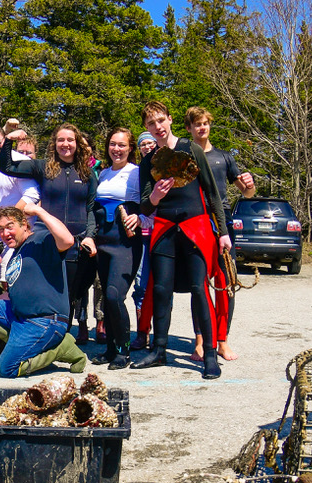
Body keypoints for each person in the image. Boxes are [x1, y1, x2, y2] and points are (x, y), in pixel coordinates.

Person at [133, 101, 236, 380]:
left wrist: (223, 232)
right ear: (147, 128)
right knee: (162, 290)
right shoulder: (148, 160)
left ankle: (210, 354)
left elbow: (212, 193)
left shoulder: (191, 150)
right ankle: (159, 350)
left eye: (160, 120)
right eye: (151, 124)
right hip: (165, 226)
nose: (158, 127)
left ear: (170, 119)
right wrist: (155, 196)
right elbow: (144, 206)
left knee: (199, 289)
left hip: (196, 225)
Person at [0, 122, 99, 343]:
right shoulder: (43, 167)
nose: (66, 144)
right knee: (49, 293)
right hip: (48, 241)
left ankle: (63, 341)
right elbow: (6, 166)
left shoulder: (88, 173)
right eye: (61, 140)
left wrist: (90, 235)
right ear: (54, 143)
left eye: (70, 140)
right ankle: (47, 339)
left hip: (76, 244)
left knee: (69, 296)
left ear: (77, 143)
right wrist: (9, 140)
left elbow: (91, 209)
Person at [0, 203, 88, 377]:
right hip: (22, 317)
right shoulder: (15, 254)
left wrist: (38, 211)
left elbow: (67, 240)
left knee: (6, 368)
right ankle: (22, 344)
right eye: (1, 229)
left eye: (9, 227)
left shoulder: (41, 239)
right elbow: (15, 293)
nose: (5, 233)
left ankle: (59, 349)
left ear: (24, 224)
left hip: (45, 320)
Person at [186, 107, 255, 362]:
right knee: (199, 284)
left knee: (225, 283)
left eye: (205, 123)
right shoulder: (185, 156)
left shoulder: (224, 158)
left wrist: (249, 185)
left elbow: (246, 193)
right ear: (189, 129)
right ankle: (202, 341)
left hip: (222, 221)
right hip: (195, 220)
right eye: (197, 124)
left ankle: (223, 339)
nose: (202, 128)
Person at [92, 128, 143, 369]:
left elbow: (151, 203)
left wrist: (143, 219)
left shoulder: (137, 172)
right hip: (103, 243)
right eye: (113, 144)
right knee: (106, 300)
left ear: (130, 148)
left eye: (122, 145)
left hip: (126, 243)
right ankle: (111, 348)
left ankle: (124, 350)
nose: (117, 149)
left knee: (114, 295)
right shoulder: (102, 174)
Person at [131, 131, 158, 350]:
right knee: (141, 284)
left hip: (162, 233)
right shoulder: (136, 171)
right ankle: (142, 331)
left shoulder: (164, 169)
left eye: (151, 143)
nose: (147, 147)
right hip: (141, 237)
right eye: (143, 144)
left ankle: (160, 332)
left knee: (162, 286)